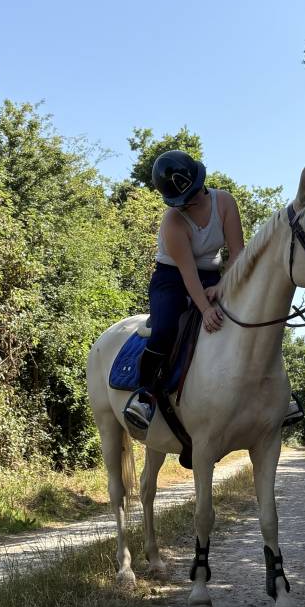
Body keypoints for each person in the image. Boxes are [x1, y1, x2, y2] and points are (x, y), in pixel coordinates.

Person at [124, 149, 243, 429]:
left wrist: (222, 285)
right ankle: (145, 396)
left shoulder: (225, 202)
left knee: (248, 313)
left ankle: (270, 390)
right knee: (165, 328)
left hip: (214, 274)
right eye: (181, 200)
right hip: (171, 278)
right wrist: (205, 309)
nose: (188, 203)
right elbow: (187, 273)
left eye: (192, 195)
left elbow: (238, 253)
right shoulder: (173, 222)